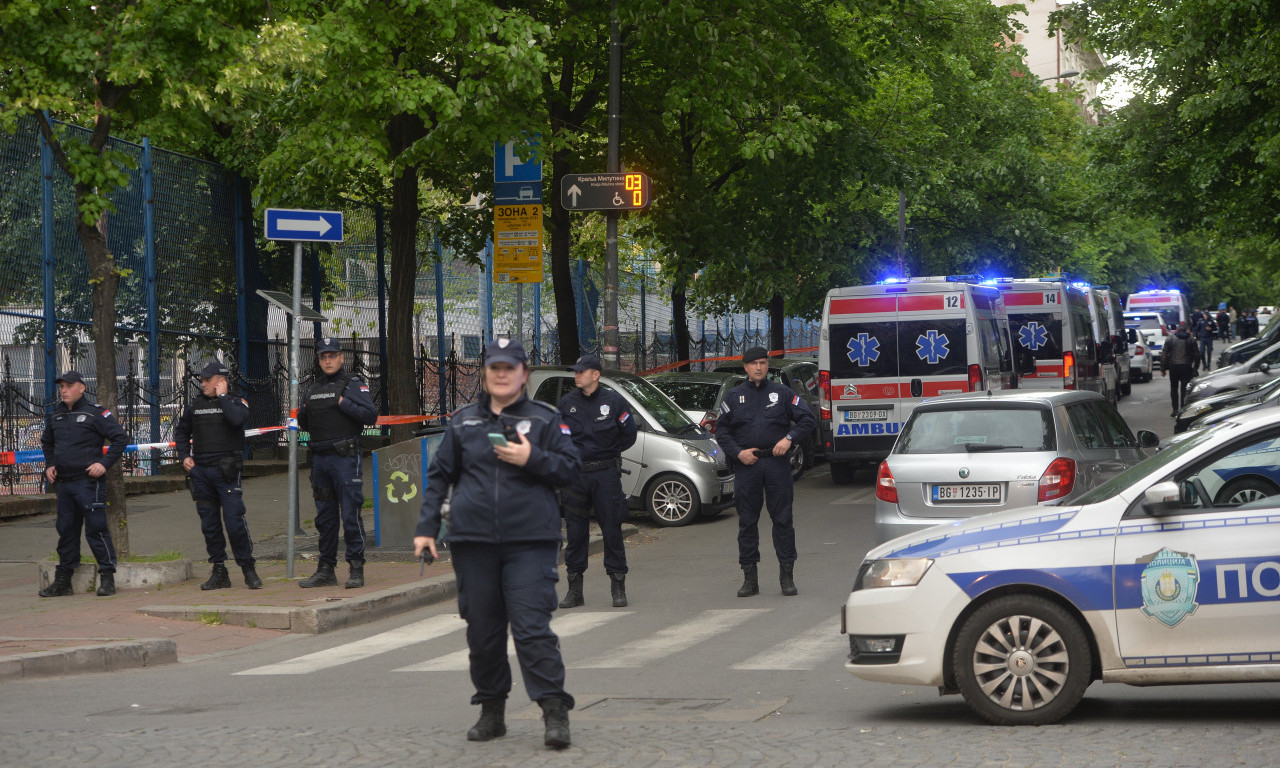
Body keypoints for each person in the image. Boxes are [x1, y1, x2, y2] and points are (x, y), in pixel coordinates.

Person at [413, 338, 579, 749]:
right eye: (495, 368)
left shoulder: (545, 419)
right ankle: (491, 710)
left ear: (524, 374)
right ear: (485, 374)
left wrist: (531, 458)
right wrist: (426, 528)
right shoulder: (464, 422)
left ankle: (554, 712)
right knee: (483, 633)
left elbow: (571, 470)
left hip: (530, 542)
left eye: (510, 368)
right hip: (473, 543)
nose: (501, 375)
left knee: (531, 629)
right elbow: (439, 476)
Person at [712, 347, 816, 598]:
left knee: (783, 520)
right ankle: (750, 579)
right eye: (753, 364)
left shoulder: (782, 393)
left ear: (767, 365)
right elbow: (722, 432)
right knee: (747, 522)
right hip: (747, 466)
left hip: (776, 464)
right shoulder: (734, 396)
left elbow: (807, 419)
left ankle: (787, 576)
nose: (758, 367)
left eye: (762, 363)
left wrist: (789, 439)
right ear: (745, 367)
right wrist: (738, 453)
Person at [556, 354, 638, 609]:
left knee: (612, 530)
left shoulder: (613, 401)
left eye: (581, 372)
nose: (576, 376)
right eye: (575, 372)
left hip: (605, 474)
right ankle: (575, 590)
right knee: (575, 532)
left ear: (595, 375)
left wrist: (609, 452)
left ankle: (618, 586)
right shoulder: (567, 403)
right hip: (576, 475)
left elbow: (629, 434)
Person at [297, 337, 378, 589]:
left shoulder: (352, 384)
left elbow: (370, 416)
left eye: (332, 355)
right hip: (320, 460)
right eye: (323, 356)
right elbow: (305, 423)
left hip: (345, 458)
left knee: (350, 514)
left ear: (341, 357)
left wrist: (343, 403)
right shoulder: (312, 388)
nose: (328, 360)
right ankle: (326, 570)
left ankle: (356, 567)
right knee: (325, 519)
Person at [38, 371, 128, 597]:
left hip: (88, 482)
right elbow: (47, 442)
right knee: (66, 531)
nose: (64, 390)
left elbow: (120, 438)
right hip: (64, 484)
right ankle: (63, 581)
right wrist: (50, 464)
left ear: (82, 388)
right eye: (61, 387)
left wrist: (104, 464)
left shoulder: (95, 413)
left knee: (96, 529)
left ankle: (107, 577)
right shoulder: (56, 415)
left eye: (69, 386)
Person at [173, 361, 261, 590]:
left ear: (221, 381)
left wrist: (222, 397)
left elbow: (237, 420)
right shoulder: (195, 405)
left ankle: (248, 568)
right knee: (210, 525)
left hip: (226, 471)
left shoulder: (235, 401)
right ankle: (219, 570)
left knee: (234, 522)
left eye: (207, 380)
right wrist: (184, 456)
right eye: (202, 380)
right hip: (201, 473)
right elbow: (181, 432)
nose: (203, 384)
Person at [1162, 322, 1199, 416]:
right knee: (1184, 388)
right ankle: (1183, 408)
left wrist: (1163, 368)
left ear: (1177, 329)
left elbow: (1164, 354)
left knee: (1174, 388)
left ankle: (1175, 409)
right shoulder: (1191, 339)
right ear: (1186, 330)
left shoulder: (1170, 338)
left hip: (1173, 366)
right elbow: (1197, 355)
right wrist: (1195, 367)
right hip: (1186, 365)